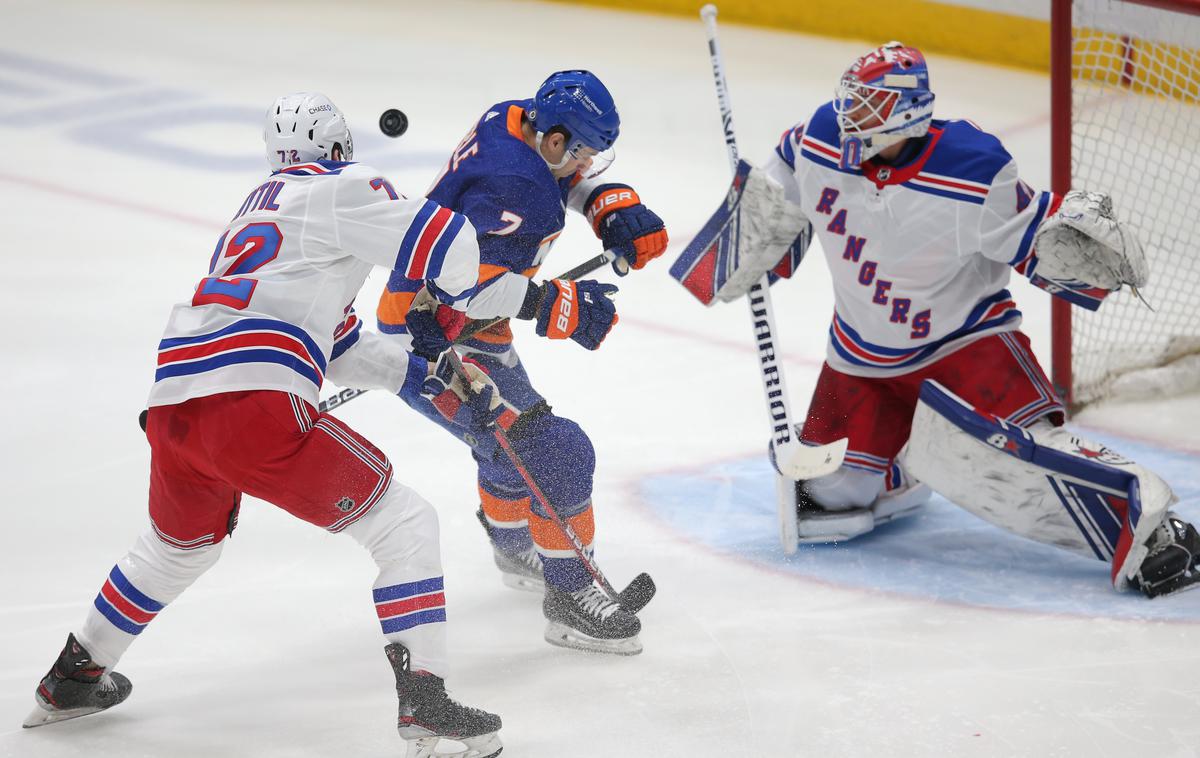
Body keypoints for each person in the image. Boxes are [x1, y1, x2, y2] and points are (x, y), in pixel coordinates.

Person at [23, 92, 507, 756]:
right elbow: (453, 246)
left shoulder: (258, 213)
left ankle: (72, 678)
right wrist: (441, 314)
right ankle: (426, 706)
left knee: (178, 549)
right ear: (338, 151)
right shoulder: (346, 186)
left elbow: (336, 348)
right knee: (405, 524)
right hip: (251, 405)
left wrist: (427, 380)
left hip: (174, 407)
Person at [755, 42, 1198, 597]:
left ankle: (1156, 525)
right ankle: (894, 466)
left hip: (965, 350)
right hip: (861, 360)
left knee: (1021, 460)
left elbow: (1038, 241)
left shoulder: (971, 165)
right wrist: (749, 227)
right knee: (826, 494)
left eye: (869, 104)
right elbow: (772, 197)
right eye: (852, 100)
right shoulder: (819, 139)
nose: (850, 115)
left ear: (909, 110)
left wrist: (1073, 239)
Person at [375, 70, 669, 654]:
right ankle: (569, 600)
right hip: (436, 341)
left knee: (508, 442)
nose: (586, 166)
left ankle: (514, 546)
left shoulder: (515, 117)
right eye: (583, 152)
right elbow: (455, 287)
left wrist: (608, 206)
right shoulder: (517, 185)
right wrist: (553, 304)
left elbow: (564, 181)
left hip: (459, 328)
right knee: (555, 452)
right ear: (556, 140)